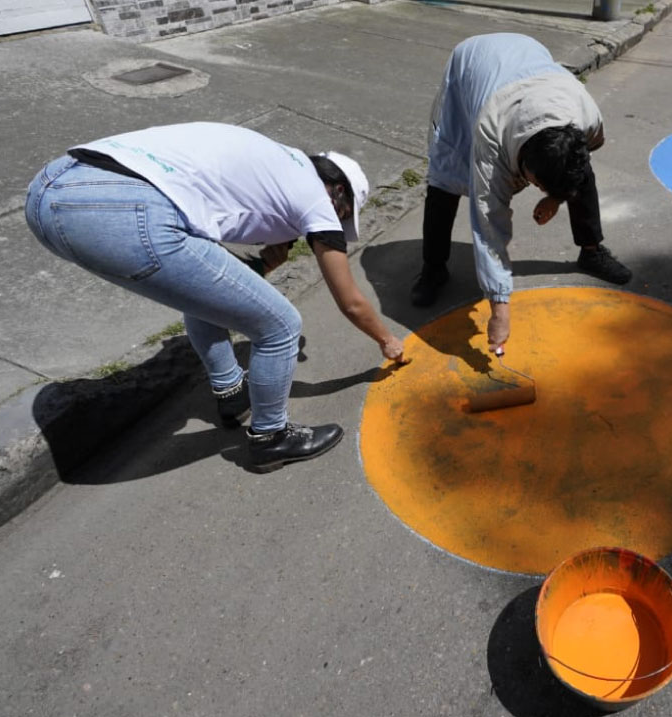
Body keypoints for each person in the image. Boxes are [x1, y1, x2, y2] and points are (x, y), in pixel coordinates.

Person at [23, 122, 407, 471]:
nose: (334, 221)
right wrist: (387, 341)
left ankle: (231, 393)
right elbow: (350, 301)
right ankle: (272, 437)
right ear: (337, 191)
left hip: (54, 187)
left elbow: (207, 284)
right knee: (281, 325)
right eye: (342, 214)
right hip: (122, 204)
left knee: (203, 299)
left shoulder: (276, 164)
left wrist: (263, 266)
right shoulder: (316, 199)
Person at [409, 33, 633, 353]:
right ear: (522, 163)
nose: (536, 190)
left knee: (579, 172)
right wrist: (500, 309)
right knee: (446, 174)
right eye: (538, 184)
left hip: (530, 58)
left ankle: (592, 249)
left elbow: (586, 154)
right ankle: (433, 267)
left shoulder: (584, 114)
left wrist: (555, 197)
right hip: (471, 67)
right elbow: (490, 228)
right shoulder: (492, 135)